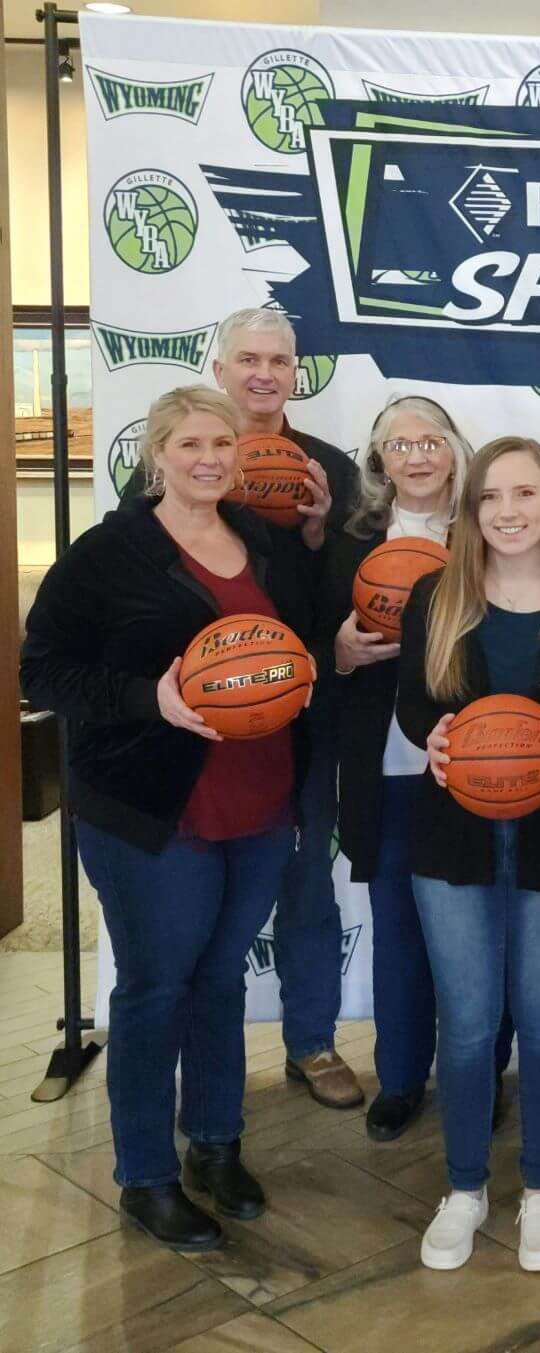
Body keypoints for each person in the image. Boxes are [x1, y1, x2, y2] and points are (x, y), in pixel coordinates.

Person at [21, 386, 316, 1251]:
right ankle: (145, 1174)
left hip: (258, 799)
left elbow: (284, 655)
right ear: (158, 452)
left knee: (222, 979)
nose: (210, 457)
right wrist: (147, 696)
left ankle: (215, 1145)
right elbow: (40, 672)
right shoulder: (108, 552)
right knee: (154, 989)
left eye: (222, 442)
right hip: (152, 808)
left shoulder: (257, 539)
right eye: (190, 441)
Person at [122, 307, 365, 1111]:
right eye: (248, 359)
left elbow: (354, 608)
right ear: (220, 369)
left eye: (279, 360)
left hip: (305, 710)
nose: (264, 373)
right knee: (194, 900)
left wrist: (323, 533)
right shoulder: (170, 472)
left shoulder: (329, 469)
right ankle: (200, 1060)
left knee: (304, 879)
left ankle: (312, 1041)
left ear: (296, 372)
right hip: (200, 717)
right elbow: (131, 599)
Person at [396, 436, 540, 1273]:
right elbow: (413, 706)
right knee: (464, 1025)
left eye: (524, 494)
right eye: (491, 496)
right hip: (450, 835)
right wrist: (440, 738)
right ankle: (463, 1187)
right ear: (471, 507)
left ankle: (539, 1188)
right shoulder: (434, 593)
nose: (507, 511)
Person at [321, 395, 518, 1141]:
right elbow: (308, 648)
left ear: (455, 451)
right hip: (388, 768)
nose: (417, 455)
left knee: (483, 929)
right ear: (378, 462)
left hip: (480, 761)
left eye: (431, 440)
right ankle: (401, 1078)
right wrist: (337, 653)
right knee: (399, 930)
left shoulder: (489, 532)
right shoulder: (347, 546)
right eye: (399, 444)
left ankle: (481, 1072)